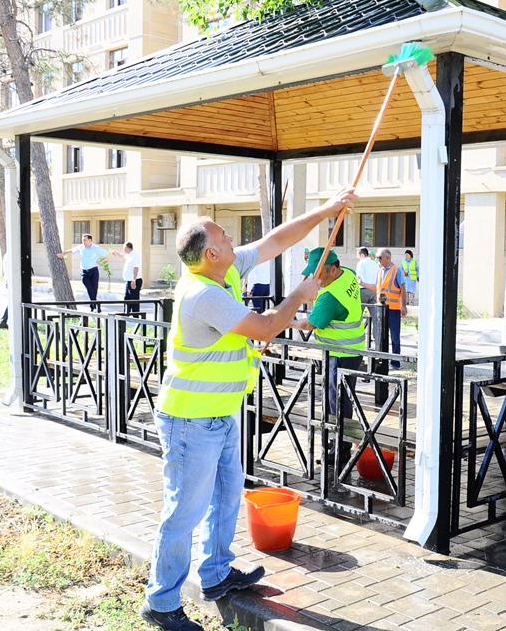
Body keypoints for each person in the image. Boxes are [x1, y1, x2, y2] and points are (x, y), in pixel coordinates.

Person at [140, 188, 355, 631]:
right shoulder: (203, 294)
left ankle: (216, 575)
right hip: (190, 421)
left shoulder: (223, 269)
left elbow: (276, 240)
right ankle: (161, 603)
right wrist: (300, 293)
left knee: (226, 494)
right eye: (225, 234)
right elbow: (266, 327)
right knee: (185, 511)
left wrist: (328, 209)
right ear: (212, 252)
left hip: (220, 413)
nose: (234, 239)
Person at [289, 249, 364, 466]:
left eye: (317, 273)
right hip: (354, 350)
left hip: (338, 355)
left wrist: (285, 322)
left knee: (336, 404)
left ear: (332, 269)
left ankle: (340, 450)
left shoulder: (330, 297)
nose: (314, 279)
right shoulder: (347, 273)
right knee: (343, 402)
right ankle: (338, 444)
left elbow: (309, 324)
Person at [56, 234, 109, 312]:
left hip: (94, 271)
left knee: (94, 290)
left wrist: (100, 261)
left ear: (90, 240)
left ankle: (93, 306)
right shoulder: (81, 247)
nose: (83, 241)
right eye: (82, 240)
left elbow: (108, 255)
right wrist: (62, 254)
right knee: (89, 289)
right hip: (84, 273)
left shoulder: (96, 248)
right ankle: (96, 306)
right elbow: (71, 251)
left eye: (84, 240)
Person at [375, 248, 407, 369]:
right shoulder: (379, 271)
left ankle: (395, 362)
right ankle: (382, 361)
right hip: (381, 309)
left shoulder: (397, 270)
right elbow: (377, 287)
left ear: (387, 258)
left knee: (394, 336)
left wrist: (403, 306)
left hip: (393, 309)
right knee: (381, 336)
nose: (378, 260)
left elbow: (402, 288)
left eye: (379, 258)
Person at [109, 242, 142, 314]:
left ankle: (135, 315)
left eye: (124, 248)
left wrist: (134, 280)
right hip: (128, 281)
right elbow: (122, 256)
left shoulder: (135, 256)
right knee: (127, 298)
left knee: (134, 299)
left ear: (127, 247)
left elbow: (136, 269)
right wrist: (115, 252)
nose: (123, 249)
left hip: (134, 280)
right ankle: (126, 313)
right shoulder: (128, 255)